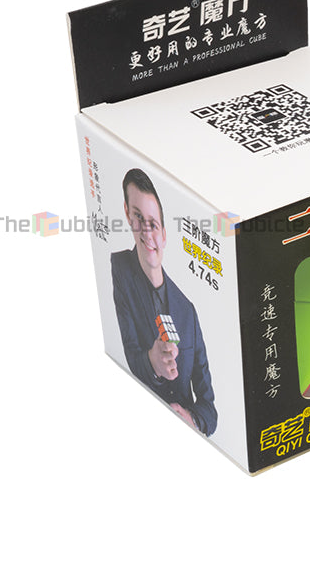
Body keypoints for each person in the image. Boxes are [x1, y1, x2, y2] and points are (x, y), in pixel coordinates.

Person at [110, 168, 217, 436]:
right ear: (127, 214)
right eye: (138, 217)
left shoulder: (188, 311)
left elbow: (209, 406)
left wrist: (192, 419)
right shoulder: (121, 267)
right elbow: (128, 353)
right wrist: (152, 362)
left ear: (165, 235)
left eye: (154, 224)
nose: (147, 232)